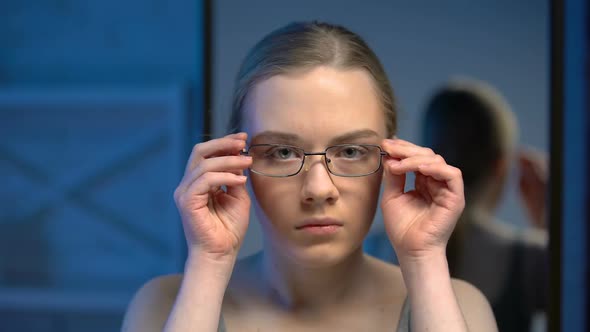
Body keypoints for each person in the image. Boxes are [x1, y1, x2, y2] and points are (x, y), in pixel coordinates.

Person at [121, 21, 497, 332]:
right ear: (234, 159)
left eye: (351, 151)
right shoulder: (162, 308)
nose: (319, 190)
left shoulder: (460, 307)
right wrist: (208, 262)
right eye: (283, 152)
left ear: (393, 156)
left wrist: (424, 259)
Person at [365, 78, 548, 332]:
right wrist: (551, 218)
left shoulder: (369, 248)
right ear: (499, 165)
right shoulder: (532, 258)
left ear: (427, 151)